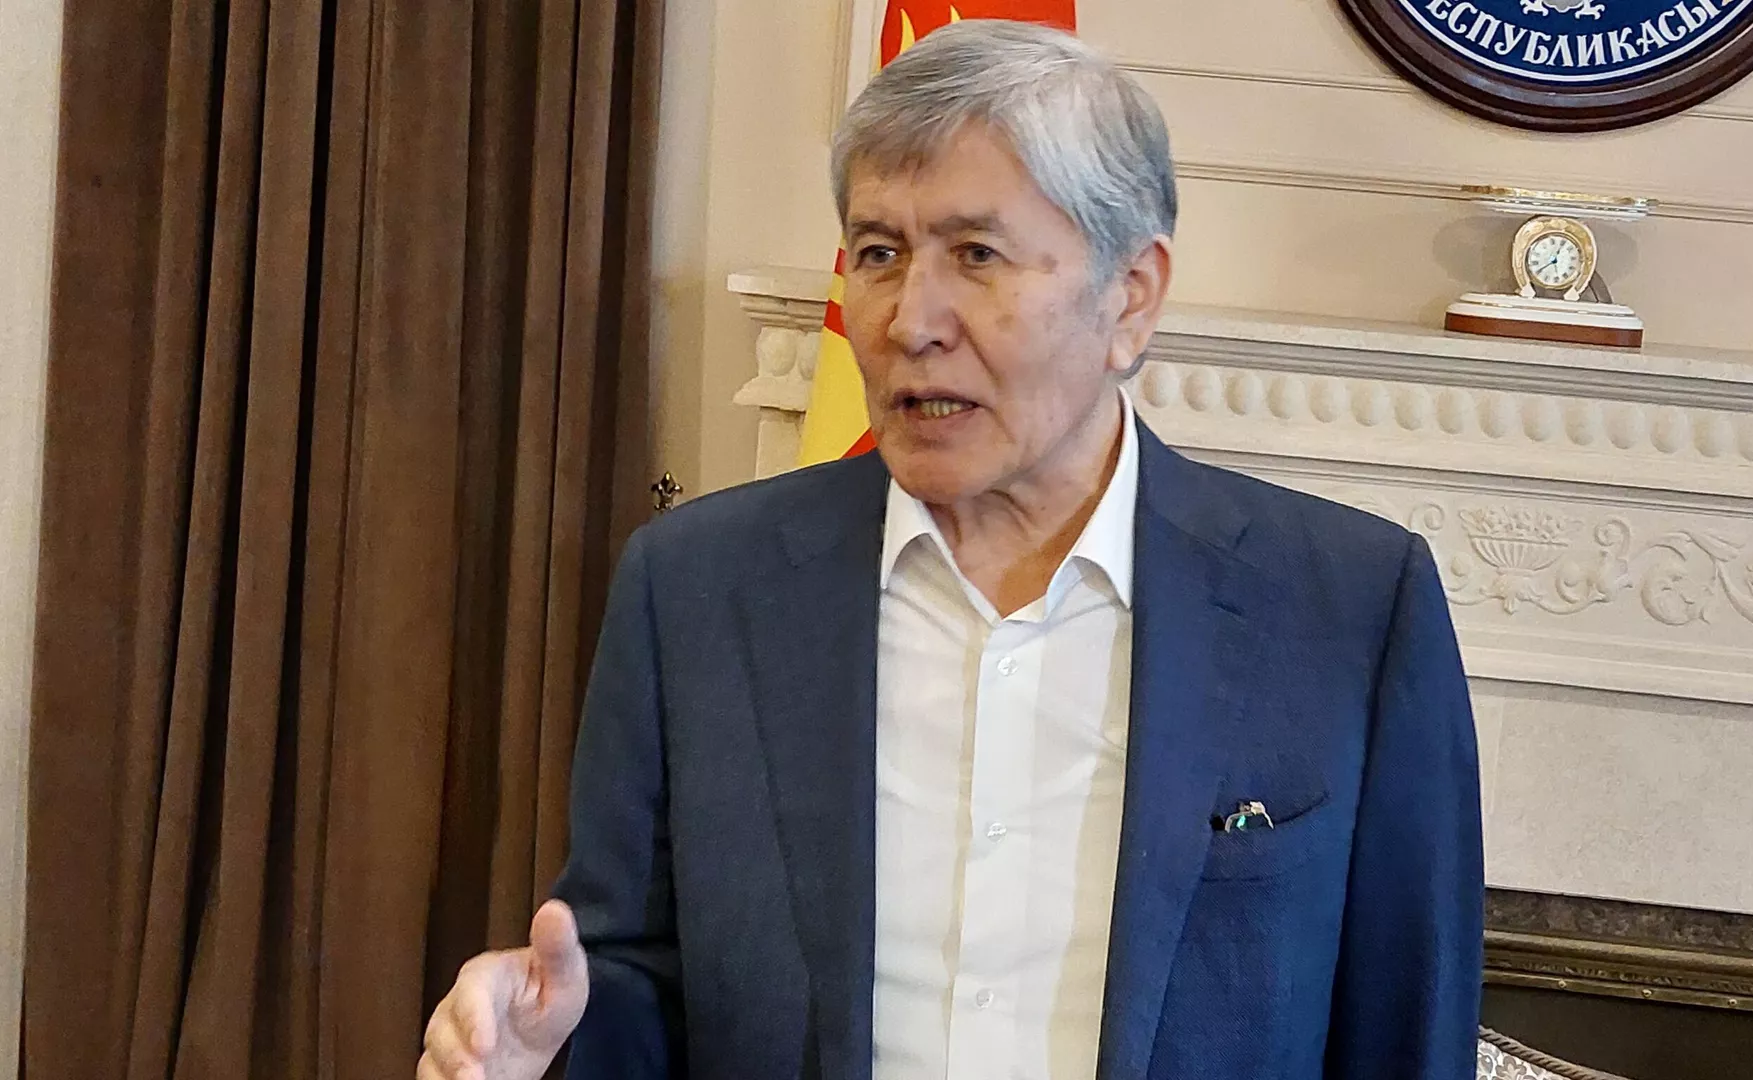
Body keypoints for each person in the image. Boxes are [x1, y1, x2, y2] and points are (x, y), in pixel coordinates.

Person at [417, 19, 1482, 1080]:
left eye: (977, 255)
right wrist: (543, 1046)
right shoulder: (695, 589)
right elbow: (631, 986)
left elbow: (1407, 1031)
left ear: (1131, 296)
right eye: (880, 254)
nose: (910, 320)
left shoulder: (1348, 610)